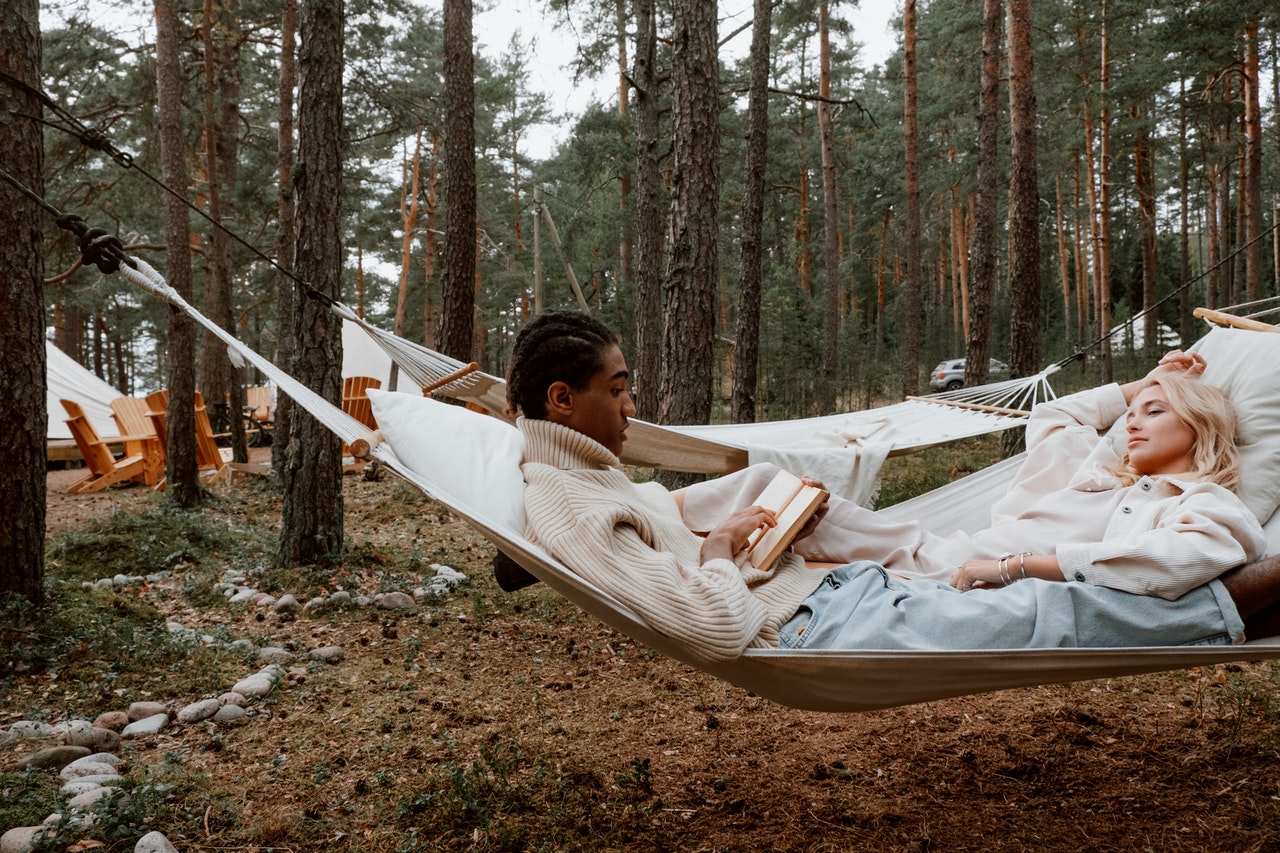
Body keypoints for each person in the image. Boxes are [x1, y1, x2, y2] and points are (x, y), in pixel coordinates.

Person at [510, 310, 1280, 662]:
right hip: (831, 606)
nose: (633, 407)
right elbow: (711, 627)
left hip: (841, 589)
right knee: (1054, 614)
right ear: (561, 402)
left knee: (782, 486)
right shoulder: (568, 496)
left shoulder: (573, 479)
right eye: (619, 390)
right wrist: (720, 551)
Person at [678, 352, 1264, 601]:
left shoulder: (1201, 505)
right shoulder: (1101, 476)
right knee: (774, 490)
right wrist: (1144, 385)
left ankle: (631, 527)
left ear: (1199, 423)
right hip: (926, 547)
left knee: (765, 511)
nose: (1132, 426)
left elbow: (1173, 560)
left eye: (1154, 414)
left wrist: (1011, 568)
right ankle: (630, 522)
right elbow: (1056, 414)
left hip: (949, 574)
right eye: (1131, 416)